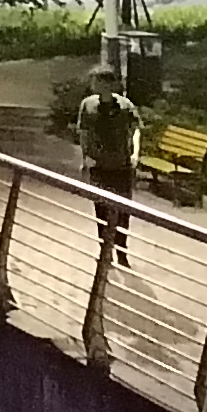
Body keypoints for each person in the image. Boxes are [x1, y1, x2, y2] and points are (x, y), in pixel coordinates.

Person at [72, 68, 142, 266]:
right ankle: (105, 250)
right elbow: (83, 133)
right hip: (99, 165)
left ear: (109, 84)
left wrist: (135, 153)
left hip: (121, 165)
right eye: (94, 82)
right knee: (101, 209)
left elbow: (135, 129)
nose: (95, 86)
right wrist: (85, 158)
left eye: (99, 82)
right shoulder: (88, 105)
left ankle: (121, 250)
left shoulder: (124, 105)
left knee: (123, 210)